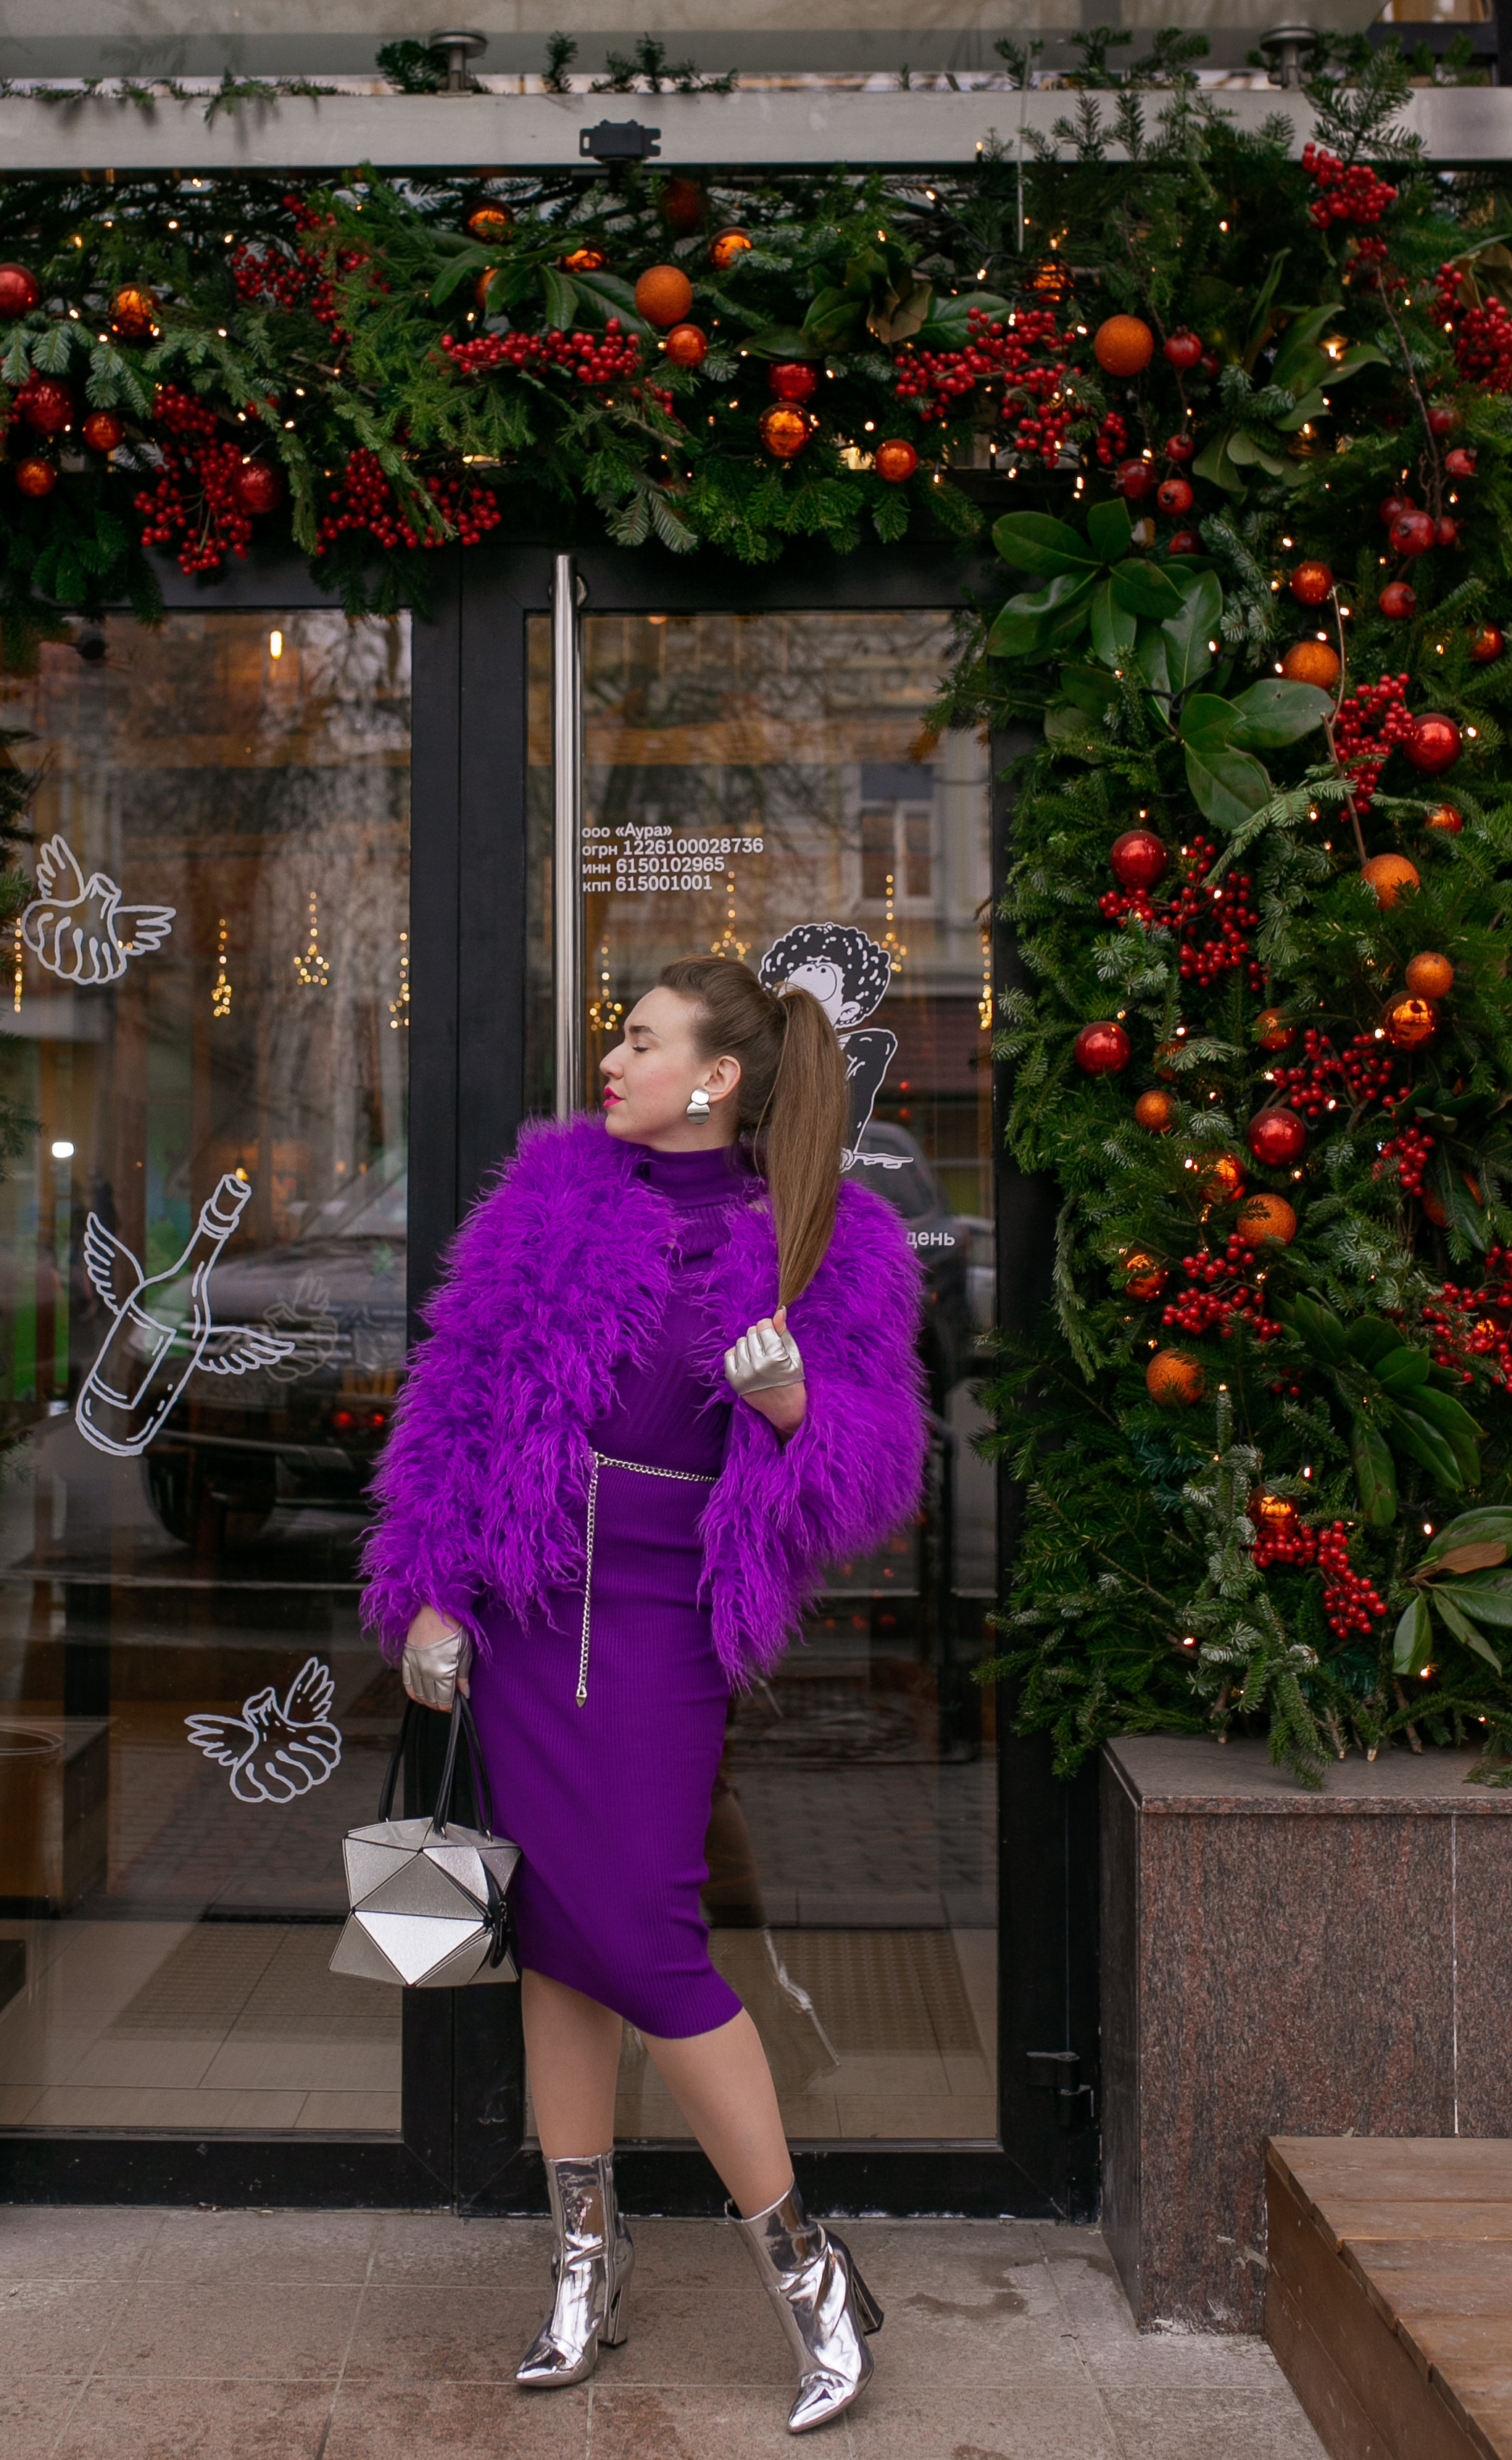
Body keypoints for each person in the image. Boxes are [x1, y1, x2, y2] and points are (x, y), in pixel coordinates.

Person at [360, 953, 928, 2435]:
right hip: (529, 1610)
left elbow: (873, 1477)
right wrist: (428, 1586)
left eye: (636, 1039)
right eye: (616, 1038)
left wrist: (797, 1405)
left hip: (671, 1622)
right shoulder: (547, 1202)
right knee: (555, 1939)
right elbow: (457, 1403)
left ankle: (810, 2278)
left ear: (716, 1076)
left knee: (647, 1939)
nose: (608, 1061)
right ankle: (581, 2269)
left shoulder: (826, 1238)